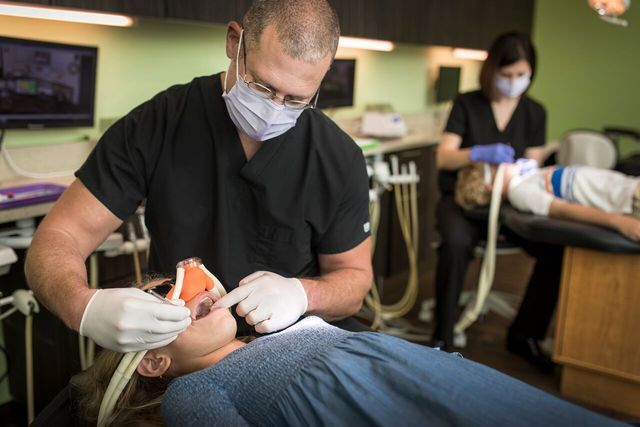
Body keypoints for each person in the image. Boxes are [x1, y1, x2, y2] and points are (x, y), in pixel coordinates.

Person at [24, 0, 373, 353]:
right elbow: (59, 237)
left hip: (292, 352)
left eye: (297, 100)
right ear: (234, 43)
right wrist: (83, 308)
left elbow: (354, 282)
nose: (275, 110)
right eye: (263, 88)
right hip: (184, 351)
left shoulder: (337, 157)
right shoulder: (157, 126)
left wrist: (302, 294)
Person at [74, 280, 624, 426]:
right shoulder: (192, 393)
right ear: (151, 360)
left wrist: (303, 295)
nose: (188, 294)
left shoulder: (273, 329)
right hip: (378, 398)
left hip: (426, 373)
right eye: (165, 305)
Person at [434, 31, 564, 366]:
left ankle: (525, 336)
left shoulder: (535, 112)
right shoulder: (466, 103)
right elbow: (444, 158)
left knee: (555, 249)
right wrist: (477, 152)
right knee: (455, 243)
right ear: (492, 70)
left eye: (521, 75)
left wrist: (517, 173)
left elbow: (533, 164)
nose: (514, 82)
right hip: (464, 203)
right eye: (506, 75)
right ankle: (442, 338)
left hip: (511, 205)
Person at [456, 162, 640, 241]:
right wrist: (618, 221)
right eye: (496, 165)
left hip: (629, 187)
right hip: (629, 201)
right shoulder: (519, 193)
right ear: (490, 185)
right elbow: (562, 210)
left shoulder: (528, 178)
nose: (506, 161)